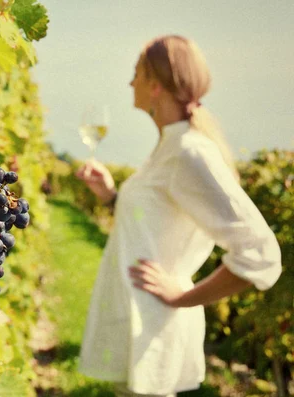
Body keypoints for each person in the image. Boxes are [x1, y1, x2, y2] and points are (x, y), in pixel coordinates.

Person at [75, 35, 282, 397]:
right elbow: (159, 219)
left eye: (136, 74)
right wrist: (111, 197)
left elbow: (260, 253)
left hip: (154, 327)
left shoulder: (190, 152)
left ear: (155, 86)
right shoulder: (171, 145)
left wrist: (181, 296)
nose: (130, 83)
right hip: (139, 324)